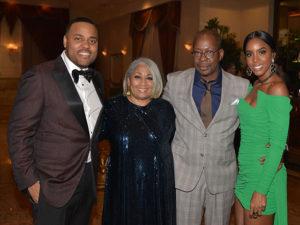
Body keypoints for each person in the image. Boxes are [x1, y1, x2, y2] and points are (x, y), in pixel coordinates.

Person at [7, 17, 104, 225]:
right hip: (51, 187)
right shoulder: (40, 76)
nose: (86, 45)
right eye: (79, 38)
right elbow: (18, 133)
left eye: (92, 40)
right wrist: (30, 182)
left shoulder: (97, 79)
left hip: (87, 181)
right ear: (65, 41)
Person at [162, 29, 249, 225]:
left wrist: (274, 147)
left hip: (222, 177)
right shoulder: (175, 82)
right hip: (184, 175)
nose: (202, 58)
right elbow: (158, 120)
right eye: (197, 52)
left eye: (209, 52)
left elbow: (254, 125)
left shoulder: (241, 87)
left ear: (220, 54)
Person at [101, 57, 176, 225]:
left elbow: (167, 145)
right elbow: (91, 139)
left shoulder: (165, 109)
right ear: (128, 80)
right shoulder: (112, 107)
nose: (143, 82)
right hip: (122, 186)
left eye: (149, 77)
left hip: (155, 188)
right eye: (138, 76)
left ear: (156, 82)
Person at [235, 31, 291, 225]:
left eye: (262, 52)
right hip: (244, 173)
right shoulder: (256, 84)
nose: (254, 59)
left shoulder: (277, 88)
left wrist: (261, 190)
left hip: (262, 178)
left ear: (273, 54)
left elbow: (277, 145)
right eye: (249, 54)